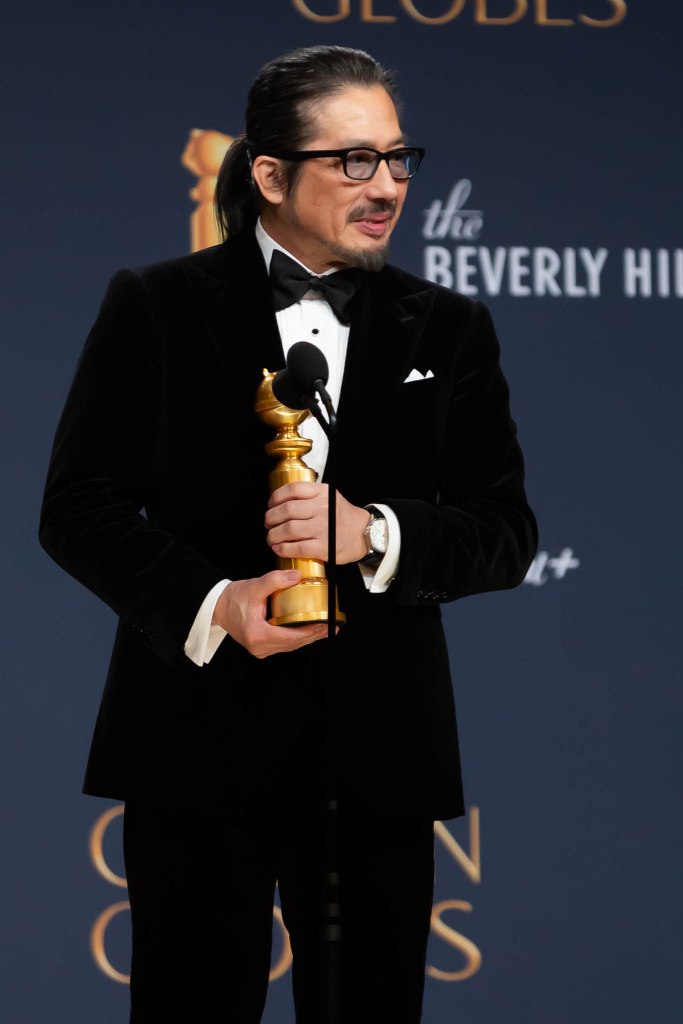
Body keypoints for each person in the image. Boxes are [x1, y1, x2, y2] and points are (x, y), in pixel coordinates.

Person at [39, 44, 537, 1024]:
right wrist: (215, 602)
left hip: (378, 761)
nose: (386, 185)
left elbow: (503, 530)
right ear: (269, 175)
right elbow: (79, 505)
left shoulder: (449, 327)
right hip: (194, 748)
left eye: (397, 158)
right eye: (352, 160)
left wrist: (372, 531)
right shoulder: (155, 302)